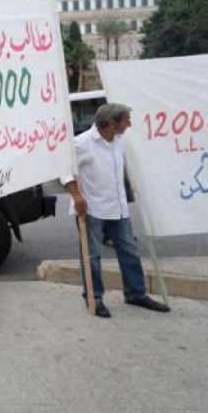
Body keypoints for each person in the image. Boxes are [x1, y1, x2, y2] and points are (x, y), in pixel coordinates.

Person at [63, 103, 170, 318]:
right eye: (126, 120)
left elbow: (120, 165)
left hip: (118, 208)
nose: (129, 124)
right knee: (92, 256)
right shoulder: (82, 143)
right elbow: (65, 170)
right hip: (92, 209)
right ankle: (94, 298)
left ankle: (135, 294)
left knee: (129, 251)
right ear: (112, 123)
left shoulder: (119, 140)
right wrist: (76, 196)